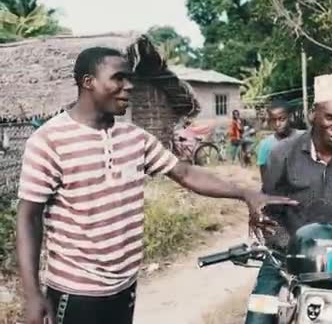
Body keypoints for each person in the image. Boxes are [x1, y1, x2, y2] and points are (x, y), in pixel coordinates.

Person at [16, 47, 297, 324]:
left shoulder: (134, 137)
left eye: (130, 79)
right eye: (118, 78)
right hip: (74, 293)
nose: (128, 86)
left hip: (124, 287)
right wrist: (32, 294)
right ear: (88, 82)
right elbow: (28, 217)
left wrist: (245, 193)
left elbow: (185, 173)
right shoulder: (49, 141)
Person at [245, 74, 332, 324]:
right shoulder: (281, 154)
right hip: (286, 256)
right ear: (313, 115)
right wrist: (292, 248)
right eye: (330, 117)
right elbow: (270, 214)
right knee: (258, 317)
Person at [256, 100, 301, 179]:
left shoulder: (303, 138)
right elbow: (265, 177)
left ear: (290, 117)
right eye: (273, 120)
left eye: (282, 119)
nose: (277, 124)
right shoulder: (266, 145)